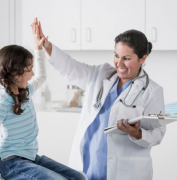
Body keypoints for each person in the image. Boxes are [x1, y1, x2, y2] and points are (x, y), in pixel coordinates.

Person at [38, 18, 166, 180]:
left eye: (126, 58)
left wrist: (137, 133)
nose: (119, 63)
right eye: (116, 55)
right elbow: (72, 68)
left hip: (124, 170)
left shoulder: (152, 91)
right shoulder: (101, 74)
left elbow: (158, 133)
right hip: (88, 162)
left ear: (142, 59)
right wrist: (47, 46)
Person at [0, 19, 87, 180]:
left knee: (78, 178)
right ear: (16, 73)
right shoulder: (3, 100)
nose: (32, 74)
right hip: (10, 162)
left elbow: (41, 75)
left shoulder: (26, 91)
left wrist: (38, 47)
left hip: (31, 157)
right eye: (29, 70)